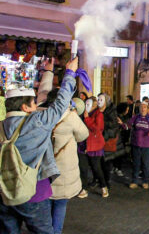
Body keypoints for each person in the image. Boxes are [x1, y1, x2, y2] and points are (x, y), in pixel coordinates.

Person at [0, 57, 78, 234]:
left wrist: (49, 73)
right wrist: (70, 73)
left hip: (4, 193)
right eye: (34, 103)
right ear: (25, 107)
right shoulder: (36, 122)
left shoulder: (1, 125)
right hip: (34, 193)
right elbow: (60, 105)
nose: (37, 106)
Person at [37, 65, 90, 233]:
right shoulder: (70, 116)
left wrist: (48, 73)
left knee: (44, 206)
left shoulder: (38, 113)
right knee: (60, 205)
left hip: (43, 170)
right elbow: (83, 134)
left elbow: (41, 93)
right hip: (63, 170)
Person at [118, 102, 149, 189]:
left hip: (147, 146)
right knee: (136, 164)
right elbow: (127, 126)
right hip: (136, 144)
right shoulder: (136, 117)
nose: (143, 109)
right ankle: (134, 181)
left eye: (144, 107)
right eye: (141, 107)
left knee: (145, 164)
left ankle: (145, 181)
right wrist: (121, 123)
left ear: (148, 108)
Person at [80, 96, 109, 198]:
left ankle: (103, 186)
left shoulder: (98, 114)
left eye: (88, 104)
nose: (86, 106)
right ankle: (84, 188)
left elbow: (97, 128)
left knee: (96, 168)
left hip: (94, 145)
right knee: (83, 168)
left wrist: (87, 119)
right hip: (82, 144)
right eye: (85, 104)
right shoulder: (81, 113)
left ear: (93, 106)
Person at [97, 93, 119, 188]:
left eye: (101, 99)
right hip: (98, 139)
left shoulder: (111, 111)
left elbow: (113, 124)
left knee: (107, 162)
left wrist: (101, 121)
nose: (98, 101)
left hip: (107, 139)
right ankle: (99, 180)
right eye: (98, 99)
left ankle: (106, 180)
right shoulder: (96, 110)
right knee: (98, 162)